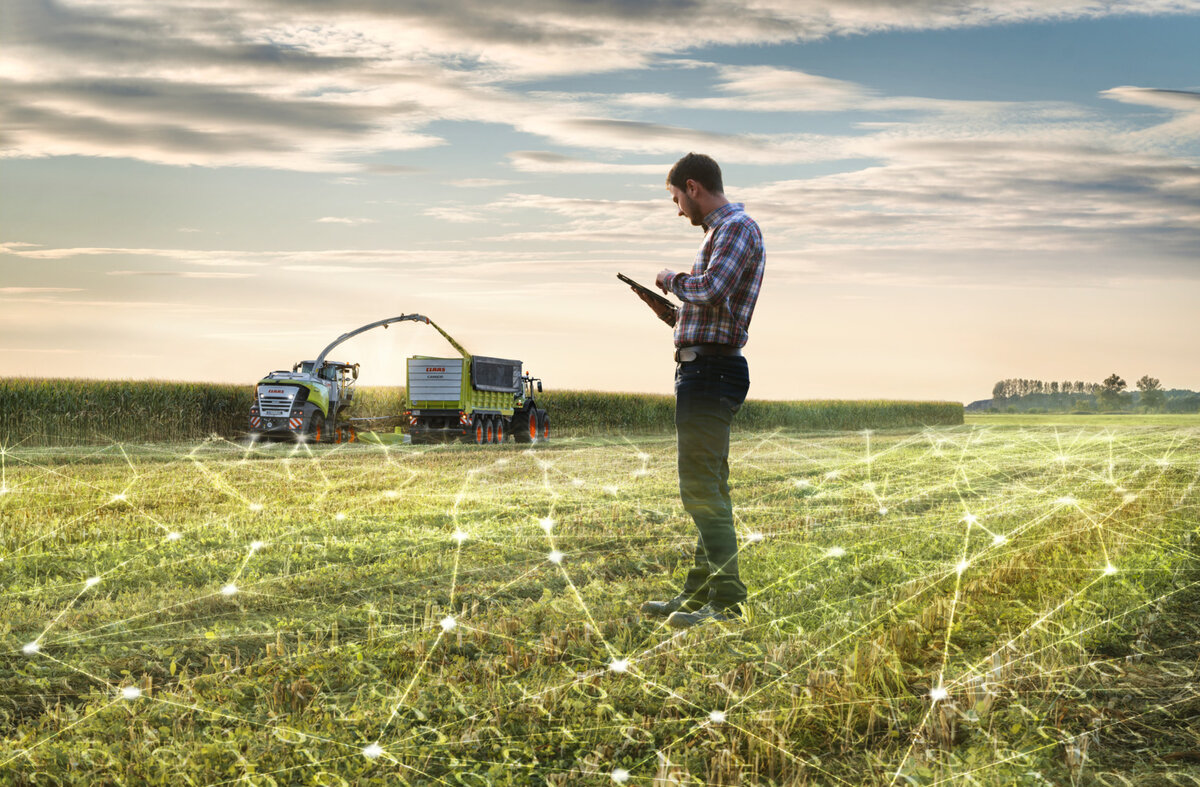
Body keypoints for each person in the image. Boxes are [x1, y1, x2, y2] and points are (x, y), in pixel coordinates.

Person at [631, 152, 765, 628]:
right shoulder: (723, 233)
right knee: (709, 488)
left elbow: (709, 290)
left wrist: (670, 280)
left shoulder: (736, 229)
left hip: (711, 373)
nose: (677, 209)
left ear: (693, 187)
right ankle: (698, 593)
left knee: (700, 489)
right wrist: (669, 312)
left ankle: (727, 602)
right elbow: (708, 312)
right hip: (703, 367)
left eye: (675, 198)